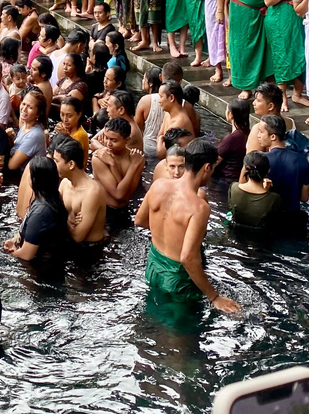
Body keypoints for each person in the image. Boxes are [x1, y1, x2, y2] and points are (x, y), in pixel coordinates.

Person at [135, 139, 240, 312]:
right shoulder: (198, 207)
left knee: (156, 315)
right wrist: (214, 297)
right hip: (177, 280)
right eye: (212, 168)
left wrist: (168, 233)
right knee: (182, 333)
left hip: (153, 266)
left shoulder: (159, 185)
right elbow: (188, 258)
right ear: (207, 167)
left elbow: (139, 220)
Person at [265, 0, 309, 110]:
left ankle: (297, 94)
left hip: (298, 17)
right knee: (281, 56)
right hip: (278, 18)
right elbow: (268, 0)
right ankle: (282, 97)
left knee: (301, 54)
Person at [5, 156, 70, 259]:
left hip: (39, 267)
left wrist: (12, 251)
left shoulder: (41, 213)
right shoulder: (53, 197)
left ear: (35, 179)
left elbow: (26, 255)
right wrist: (14, 240)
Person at [54, 137, 108, 243]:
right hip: (70, 243)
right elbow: (55, 210)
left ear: (71, 165)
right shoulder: (65, 183)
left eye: (56, 161)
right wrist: (68, 218)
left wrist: (64, 217)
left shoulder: (92, 192)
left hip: (89, 251)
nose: (53, 165)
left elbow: (78, 237)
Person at [253, 115, 309, 217]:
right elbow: (304, 197)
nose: (258, 135)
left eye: (261, 132)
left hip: (269, 216)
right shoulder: (301, 159)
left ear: (273, 137)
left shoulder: (262, 160)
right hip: (293, 218)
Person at [92, 117, 145, 208]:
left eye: (113, 140)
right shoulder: (99, 158)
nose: (108, 143)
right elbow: (118, 194)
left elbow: (126, 195)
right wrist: (132, 166)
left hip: (125, 207)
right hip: (104, 208)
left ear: (127, 140)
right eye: (106, 138)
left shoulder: (136, 159)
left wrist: (113, 164)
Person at [229, 151, 282, 231]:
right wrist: (266, 191)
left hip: (235, 231)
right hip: (259, 238)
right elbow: (271, 221)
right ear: (268, 171)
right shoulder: (274, 198)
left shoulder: (234, 188)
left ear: (245, 169)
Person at [247, 82, 294, 152]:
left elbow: (251, 161)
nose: (253, 103)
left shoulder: (258, 129)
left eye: (258, 100)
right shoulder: (290, 122)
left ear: (270, 106)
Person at [8, 90, 48, 171]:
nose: (24, 109)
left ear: (38, 113)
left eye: (30, 107)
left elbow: (12, 165)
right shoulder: (25, 126)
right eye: (23, 104)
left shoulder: (34, 135)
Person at [155, 80, 194, 158]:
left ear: (171, 98)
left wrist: (160, 139)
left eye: (161, 97)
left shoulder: (180, 122)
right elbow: (159, 136)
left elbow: (161, 153)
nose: (159, 101)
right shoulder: (168, 113)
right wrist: (160, 139)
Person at [135, 66, 164, 155]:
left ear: (151, 84)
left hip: (148, 148)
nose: (142, 81)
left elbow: (137, 128)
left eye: (144, 78)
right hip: (164, 148)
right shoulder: (169, 99)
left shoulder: (145, 100)